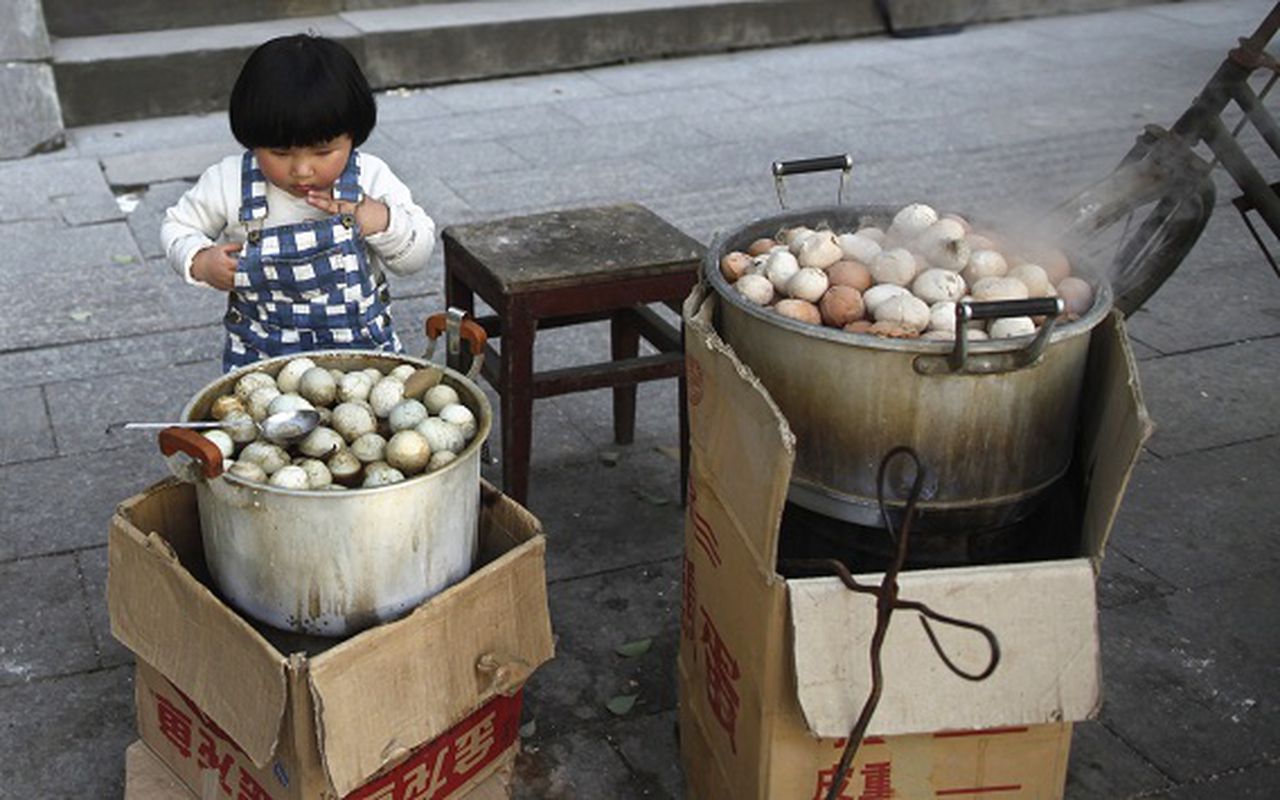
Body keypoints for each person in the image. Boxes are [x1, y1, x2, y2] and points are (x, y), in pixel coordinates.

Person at [161, 34, 434, 372]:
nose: (302, 170)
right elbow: (178, 225)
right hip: (262, 362)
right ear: (252, 138)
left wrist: (378, 219)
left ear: (353, 135)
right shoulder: (228, 182)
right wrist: (199, 260)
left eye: (323, 152)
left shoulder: (370, 178)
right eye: (280, 153)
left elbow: (417, 256)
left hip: (363, 363)